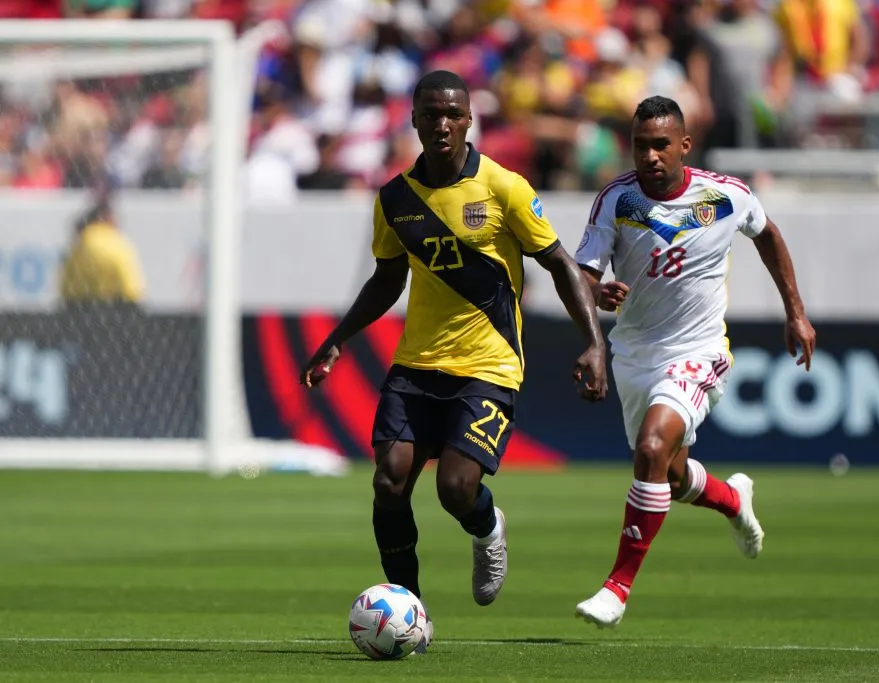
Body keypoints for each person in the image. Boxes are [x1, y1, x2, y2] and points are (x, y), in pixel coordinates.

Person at [300, 70, 608, 650]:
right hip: (416, 365)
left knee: (455, 488)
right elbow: (387, 279)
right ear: (414, 120)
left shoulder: (503, 187)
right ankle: (411, 615)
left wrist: (594, 341)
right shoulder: (394, 199)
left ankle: (487, 527)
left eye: (452, 113)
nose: (441, 123)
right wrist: (338, 338)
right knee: (390, 484)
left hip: (488, 367)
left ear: (468, 120)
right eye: (430, 113)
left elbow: (561, 263)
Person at [573, 96, 816, 628]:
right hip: (634, 353)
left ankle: (616, 588)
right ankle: (733, 499)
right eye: (641, 146)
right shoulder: (616, 200)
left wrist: (795, 313)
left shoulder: (725, 195)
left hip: (698, 349)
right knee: (671, 472)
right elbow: (582, 273)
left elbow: (768, 235)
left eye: (661, 145)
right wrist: (596, 292)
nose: (651, 156)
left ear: (684, 145)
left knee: (653, 447)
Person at [59, 192, 145, 305]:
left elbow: (67, 285)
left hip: (83, 308)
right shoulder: (118, 243)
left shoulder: (80, 245)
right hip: (118, 307)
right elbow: (132, 287)